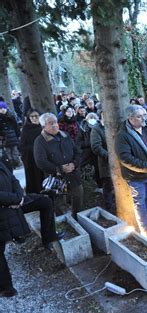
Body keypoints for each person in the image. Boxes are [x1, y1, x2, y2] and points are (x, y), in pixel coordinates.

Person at [0, 160, 64, 298]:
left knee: (45, 202)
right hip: (4, 208)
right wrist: (14, 200)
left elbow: (13, 179)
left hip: (16, 201)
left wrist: (19, 198)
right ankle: (6, 287)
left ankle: (48, 238)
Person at [116, 105, 147, 239]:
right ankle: (145, 231)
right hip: (136, 176)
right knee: (140, 204)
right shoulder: (123, 135)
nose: (144, 118)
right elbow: (125, 158)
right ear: (130, 118)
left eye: (144, 115)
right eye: (139, 116)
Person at [34, 113, 83, 216]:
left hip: (72, 173)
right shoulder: (40, 141)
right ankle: (62, 221)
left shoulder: (65, 135)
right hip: (55, 177)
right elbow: (40, 161)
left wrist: (74, 164)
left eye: (55, 122)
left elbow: (77, 152)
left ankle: (76, 217)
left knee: (78, 194)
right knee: (57, 202)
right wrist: (59, 169)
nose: (55, 125)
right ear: (43, 126)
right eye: (50, 123)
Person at [90, 110, 116, 213]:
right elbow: (96, 147)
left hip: (120, 161)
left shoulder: (115, 125)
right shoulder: (96, 129)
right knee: (108, 185)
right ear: (101, 116)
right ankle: (109, 208)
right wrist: (109, 156)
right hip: (106, 162)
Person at [19, 109, 44, 193]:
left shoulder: (43, 127)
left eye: (36, 116)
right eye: (32, 116)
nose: (34, 118)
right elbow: (22, 145)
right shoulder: (26, 128)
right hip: (30, 157)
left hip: (43, 156)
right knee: (33, 177)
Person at [0, 102, 21, 169]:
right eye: (0, 108)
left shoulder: (11, 116)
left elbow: (16, 127)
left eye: (3, 108)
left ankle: (16, 162)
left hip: (13, 137)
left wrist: (18, 135)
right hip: (5, 138)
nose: (2, 109)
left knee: (14, 150)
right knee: (7, 152)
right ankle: (10, 164)